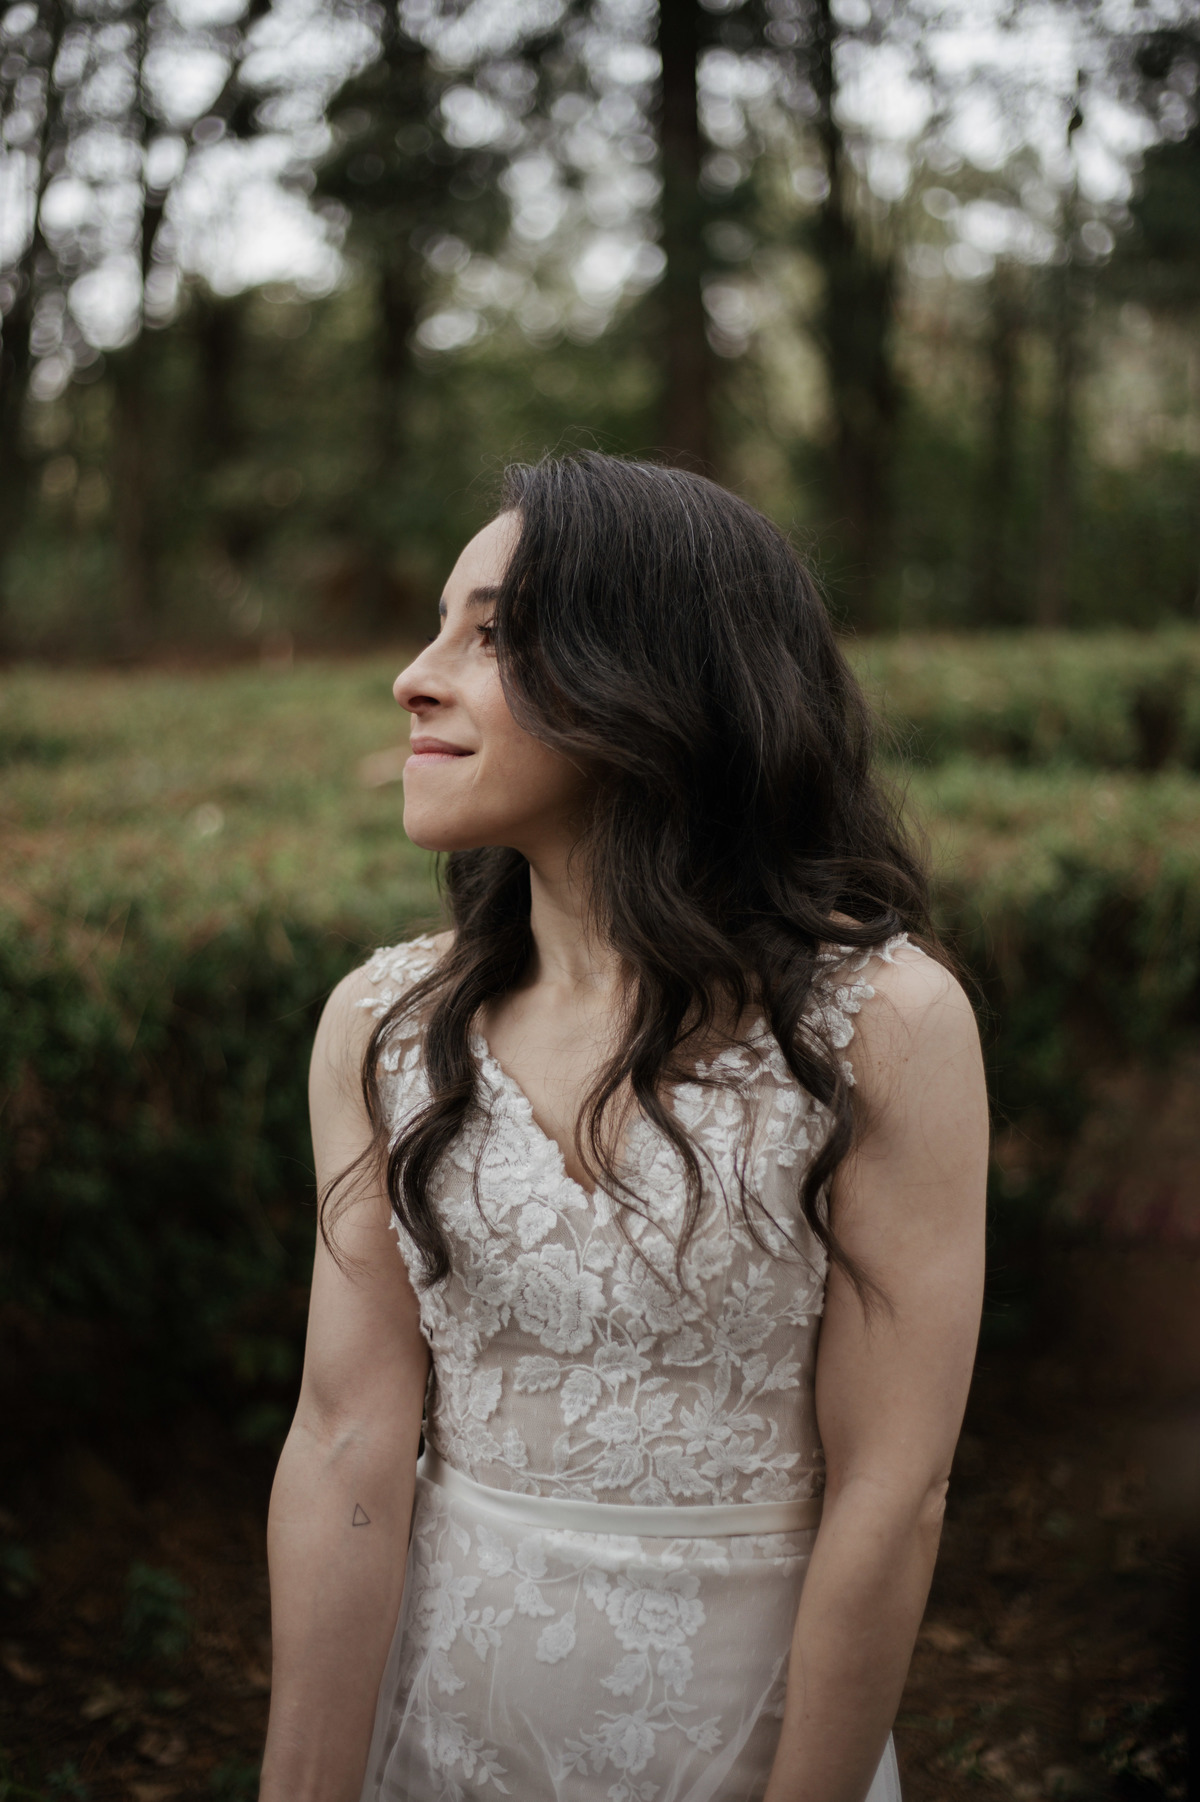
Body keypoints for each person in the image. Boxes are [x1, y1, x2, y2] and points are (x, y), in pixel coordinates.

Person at [259, 452, 988, 1802]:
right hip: (445, 1731)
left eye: (491, 636)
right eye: (436, 627)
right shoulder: (382, 1024)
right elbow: (344, 1442)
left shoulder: (884, 1023)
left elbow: (895, 1490)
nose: (415, 676)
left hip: (745, 1743)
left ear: (650, 680)